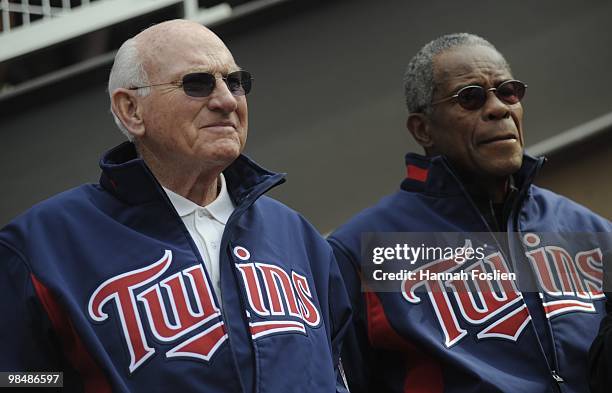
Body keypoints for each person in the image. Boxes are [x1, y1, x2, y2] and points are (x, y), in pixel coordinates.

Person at [0, 19, 351, 392]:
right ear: (131, 110)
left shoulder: (297, 235)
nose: (226, 100)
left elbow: (337, 372)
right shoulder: (43, 245)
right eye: (196, 84)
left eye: (235, 82)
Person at [328, 33, 611, 392]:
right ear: (422, 129)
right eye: (471, 97)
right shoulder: (362, 250)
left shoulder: (585, 228)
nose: (498, 109)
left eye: (508, 91)